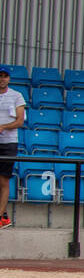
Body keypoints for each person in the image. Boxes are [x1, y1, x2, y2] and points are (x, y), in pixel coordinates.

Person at [0, 68, 24, 228]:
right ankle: (5, 215)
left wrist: (3, 127)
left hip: (8, 143)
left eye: (5, 76)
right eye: (0, 76)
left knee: (3, 180)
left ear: (9, 79)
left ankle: (0, 216)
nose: (2, 79)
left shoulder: (17, 96)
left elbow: (20, 121)